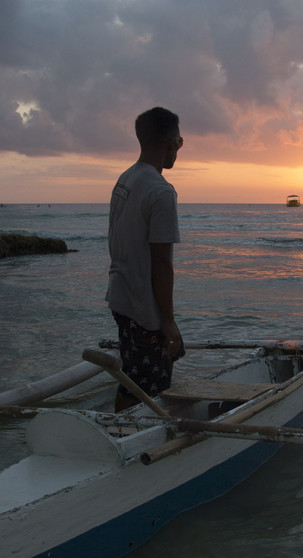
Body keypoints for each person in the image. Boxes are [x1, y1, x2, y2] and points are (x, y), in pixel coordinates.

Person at [106, 107, 185, 412]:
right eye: (179, 143)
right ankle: (134, 441)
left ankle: (122, 432)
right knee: (147, 387)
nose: (178, 150)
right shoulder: (161, 192)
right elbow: (162, 263)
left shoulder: (126, 179)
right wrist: (167, 321)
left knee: (132, 376)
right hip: (143, 309)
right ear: (170, 143)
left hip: (121, 297)